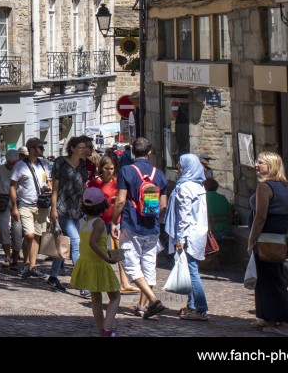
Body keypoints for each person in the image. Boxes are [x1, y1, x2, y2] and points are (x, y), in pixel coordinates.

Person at [110, 136, 168, 319]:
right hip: (151, 227)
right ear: (149, 153)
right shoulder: (159, 174)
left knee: (129, 263)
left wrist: (113, 221)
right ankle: (142, 307)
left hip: (131, 224)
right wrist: (151, 215)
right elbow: (163, 205)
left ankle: (153, 299)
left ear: (133, 152)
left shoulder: (127, 171)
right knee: (149, 266)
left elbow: (120, 200)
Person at [248, 151, 288, 336]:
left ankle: (285, 323)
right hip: (282, 233)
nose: (256, 165)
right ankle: (267, 316)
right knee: (265, 276)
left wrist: (251, 240)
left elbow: (260, 217)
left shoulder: (265, 187)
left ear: (271, 166)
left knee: (274, 278)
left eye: (261, 163)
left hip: (269, 236)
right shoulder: (286, 185)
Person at [73, 187, 122, 337]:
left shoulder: (82, 221)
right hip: (99, 264)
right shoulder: (99, 223)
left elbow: (96, 243)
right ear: (102, 205)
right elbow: (93, 243)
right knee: (115, 296)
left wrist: (113, 241)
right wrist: (108, 258)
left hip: (87, 262)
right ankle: (107, 330)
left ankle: (103, 330)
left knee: (96, 298)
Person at [166, 153, 210, 320]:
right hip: (197, 232)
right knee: (190, 268)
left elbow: (184, 216)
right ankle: (192, 306)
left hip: (189, 234)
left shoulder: (185, 187)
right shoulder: (198, 185)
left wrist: (180, 239)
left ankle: (201, 308)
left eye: (180, 164)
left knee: (192, 272)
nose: (178, 166)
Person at [48, 135, 94, 294]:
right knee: (76, 242)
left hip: (76, 210)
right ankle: (83, 283)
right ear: (72, 148)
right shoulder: (60, 162)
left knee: (64, 244)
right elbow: (55, 188)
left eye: (85, 148)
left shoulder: (83, 165)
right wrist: (53, 209)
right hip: (62, 209)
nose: (84, 150)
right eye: (81, 147)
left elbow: (83, 188)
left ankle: (53, 277)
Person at [90, 151, 137, 294]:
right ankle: (101, 279)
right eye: (106, 168)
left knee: (118, 250)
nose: (109, 171)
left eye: (111, 169)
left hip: (116, 220)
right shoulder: (94, 183)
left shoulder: (117, 182)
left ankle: (124, 282)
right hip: (100, 221)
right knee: (101, 250)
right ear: (101, 168)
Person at [10, 137, 52, 281]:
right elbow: (13, 186)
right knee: (29, 235)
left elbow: (48, 181)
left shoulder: (44, 164)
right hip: (26, 205)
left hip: (41, 205)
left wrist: (49, 187)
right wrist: (14, 207)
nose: (43, 150)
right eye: (41, 147)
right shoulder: (20, 165)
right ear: (33, 149)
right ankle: (26, 262)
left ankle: (32, 266)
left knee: (37, 236)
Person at [0, 148, 23, 268]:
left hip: (18, 200)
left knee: (17, 230)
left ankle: (15, 256)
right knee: (4, 228)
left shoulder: (20, 168)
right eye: (10, 163)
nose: (12, 165)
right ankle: (7, 255)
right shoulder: (0, 169)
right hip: (3, 200)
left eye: (14, 163)